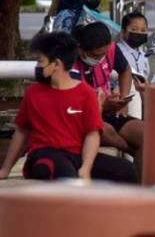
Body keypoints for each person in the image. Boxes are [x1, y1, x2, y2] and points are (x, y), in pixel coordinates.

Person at [0, 32, 136, 183]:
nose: (37, 67)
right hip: (43, 155)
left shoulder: (86, 93)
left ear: (56, 64)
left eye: (40, 62)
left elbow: (93, 134)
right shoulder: (33, 93)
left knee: (126, 170)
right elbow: (21, 132)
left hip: (75, 155)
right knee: (63, 171)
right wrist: (6, 169)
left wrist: (86, 167)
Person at [71, 22, 143, 176]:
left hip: (107, 111)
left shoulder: (111, 49)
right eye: (96, 56)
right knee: (107, 130)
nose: (101, 59)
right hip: (82, 118)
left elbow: (125, 69)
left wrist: (123, 100)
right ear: (80, 49)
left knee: (145, 134)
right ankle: (130, 151)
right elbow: (73, 108)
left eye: (104, 54)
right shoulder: (70, 63)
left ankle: (145, 191)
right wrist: (103, 106)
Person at [117, 12, 150, 119]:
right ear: (123, 32)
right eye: (134, 30)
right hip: (124, 99)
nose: (139, 33)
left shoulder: (144, 55)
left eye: (143, 30)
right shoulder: (117, 51)